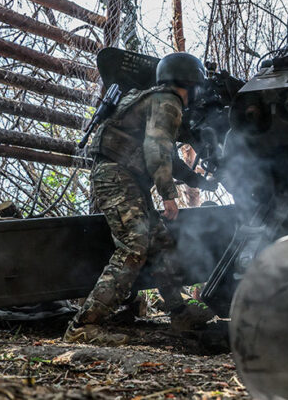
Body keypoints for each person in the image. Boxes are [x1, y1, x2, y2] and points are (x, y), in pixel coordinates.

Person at [64, 53, 206, 345]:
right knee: (135, 244)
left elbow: (164, 153)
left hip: (122, 176)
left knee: (160, 243)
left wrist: (198, 180)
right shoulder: (168, 100)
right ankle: (83, 325)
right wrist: (169, 195)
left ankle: (180, 312)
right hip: (118, 176)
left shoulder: (151, 96)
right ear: (191, 83)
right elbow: (156, 148)